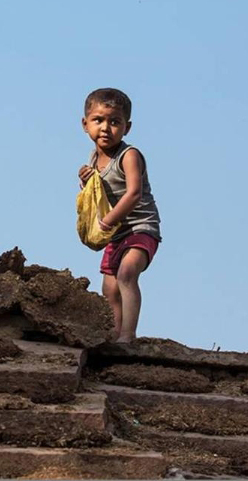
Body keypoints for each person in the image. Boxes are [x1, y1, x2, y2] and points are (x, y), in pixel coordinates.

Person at [77, 88, 162, 343]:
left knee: (127, 273)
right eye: (98, 120)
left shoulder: (129, 156)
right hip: (115, 234)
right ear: (85, 124)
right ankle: (113, 335)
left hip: (141, 228)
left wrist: (107, 220)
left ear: (127, 127)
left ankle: (128, 336)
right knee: (109, 288)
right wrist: (86, 183)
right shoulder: (93, 160)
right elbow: (99, 196)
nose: (106, 128)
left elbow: (134, 193)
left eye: (115, 122)